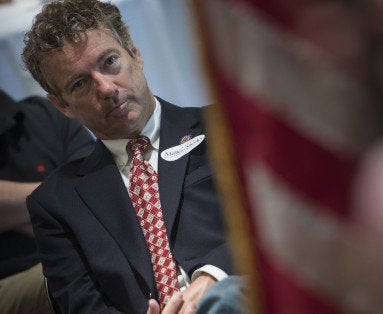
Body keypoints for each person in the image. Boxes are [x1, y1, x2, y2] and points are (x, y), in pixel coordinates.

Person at [21, 0, 233, 313]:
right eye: (80, 83)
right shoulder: (55, 203)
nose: (105, 88)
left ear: (134, 53)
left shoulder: (223, 129)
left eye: (109, 62)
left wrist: (215, 277)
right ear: (61, 105)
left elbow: (278, 227)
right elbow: (81, 305)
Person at [0, 88, 94, 314]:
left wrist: (18, 213)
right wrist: (59, 206)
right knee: (83, 274)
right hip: (16, 279)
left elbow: (95, 194)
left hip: (86, 251)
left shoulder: (47, 115)